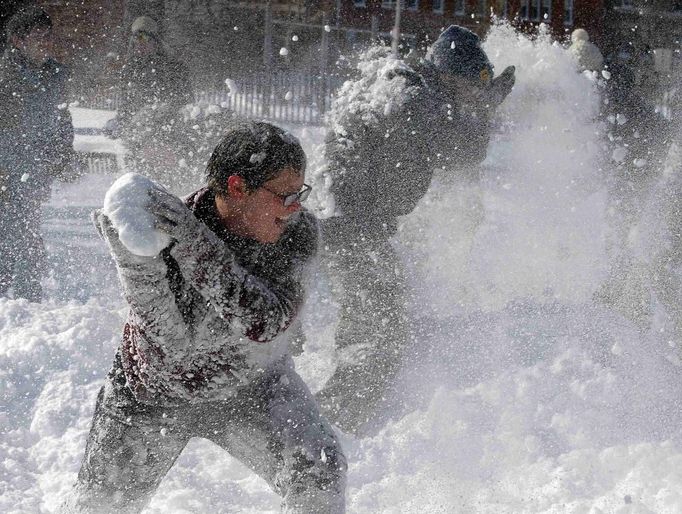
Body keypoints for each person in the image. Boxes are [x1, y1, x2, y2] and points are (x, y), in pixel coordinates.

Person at [63, 122, 347, 513]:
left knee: (320, 474)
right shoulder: (163, 233)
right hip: (152, 394)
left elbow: (265, 319)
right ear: (236, 188)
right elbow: (172, 347)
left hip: (255, 387)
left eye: (299, 193)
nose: (294, 206)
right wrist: (134, 263)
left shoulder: (296, 233)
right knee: (99, 506)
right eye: (284, 195)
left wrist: (195, 245)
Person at [315, 25, 515, 434]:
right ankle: (329, 426)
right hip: (352, 227)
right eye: (468, 85)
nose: (470, 96)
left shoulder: (408, 86)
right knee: (380, 331)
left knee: (377, 323)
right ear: (448, 73)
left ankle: (335, 418)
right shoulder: (414, 98)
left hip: (352, 223)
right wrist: (485, 109)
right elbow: (461, 152)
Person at [0, 7, 75, 302]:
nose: (46, 42)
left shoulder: (54, 74)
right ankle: (17, 295)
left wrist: (64, 153)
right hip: (6, 168)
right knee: (12, 228)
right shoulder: (4, 78)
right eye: (38, 36)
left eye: (48, 36)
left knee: (25, 225)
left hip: (35, 168)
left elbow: (62, 116)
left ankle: (22, 294)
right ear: (18, 40)